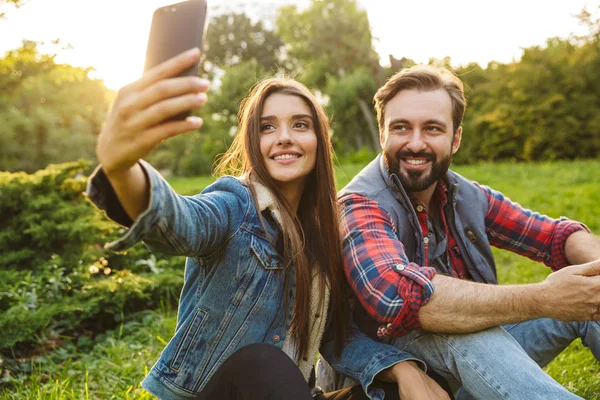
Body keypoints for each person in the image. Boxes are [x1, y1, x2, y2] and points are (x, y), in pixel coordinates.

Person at [86, 48, 451, 400]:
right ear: (253, 140)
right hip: (224, 392)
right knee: (262, 363)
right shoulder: (235, 205)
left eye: (300, 125)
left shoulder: (324, 232)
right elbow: (180, 222)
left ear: (318, 141)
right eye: (267, 127)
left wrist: (402, 369)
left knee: (392, 391)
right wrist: (121, 169)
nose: (285, 137)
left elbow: (337, 339)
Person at [328, 64, 600, 398]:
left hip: (477, 364)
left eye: (432, 129)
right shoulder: (359, 204)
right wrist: (545, 298)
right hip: (396, 381)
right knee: (465, 327)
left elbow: (555, 236)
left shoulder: (466, 194)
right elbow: (400, 298)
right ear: (382, 133)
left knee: (589, 291)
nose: (415, 144)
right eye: (401, 128)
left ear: (455, 138)